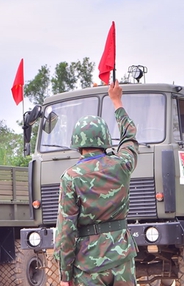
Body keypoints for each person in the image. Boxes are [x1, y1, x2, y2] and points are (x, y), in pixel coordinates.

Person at [54, 80, 139, 286]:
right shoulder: (122, 165)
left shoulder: (71, 177)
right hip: (122, 260)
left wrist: (65, 274)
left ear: (77, 143)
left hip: (88, 266)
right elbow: (130, 136)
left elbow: (66, 231)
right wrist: (116, 101)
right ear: (105, 140)